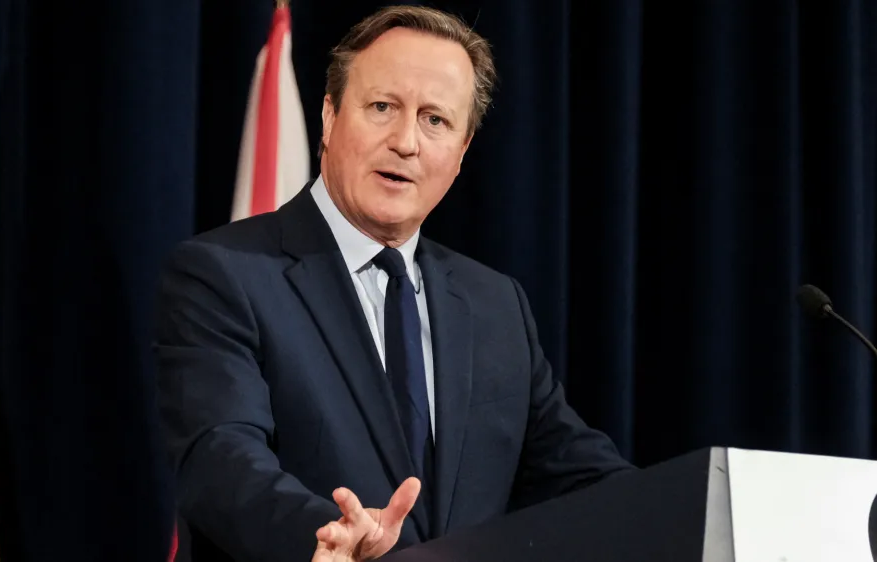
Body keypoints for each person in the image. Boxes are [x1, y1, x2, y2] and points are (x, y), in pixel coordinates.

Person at [154, 5, 634, 562]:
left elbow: (579, 473)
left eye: (436, 120)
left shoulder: (495, 304)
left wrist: (709, 509)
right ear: (330, 117)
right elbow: (220, 459)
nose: (406, 141)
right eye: (383, 107)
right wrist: (329, 532)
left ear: (462, 152)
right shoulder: (223, 274)